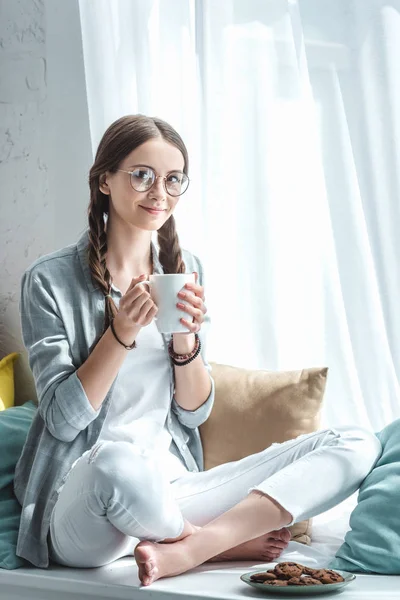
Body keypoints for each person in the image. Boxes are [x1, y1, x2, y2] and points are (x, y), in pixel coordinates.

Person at [14, 114, 381, 586]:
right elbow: (62, 421)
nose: (159, 192)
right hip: (86, 503)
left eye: (173, 179)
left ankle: (195, 544)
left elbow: (192, 414)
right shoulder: (49, 280)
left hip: (171, 488)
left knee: (355, 442)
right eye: (142, 175)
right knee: (116, 460)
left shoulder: (185, 270)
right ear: (105, 179)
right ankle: (209, 540)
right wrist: (121, 332)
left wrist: (186, 341)